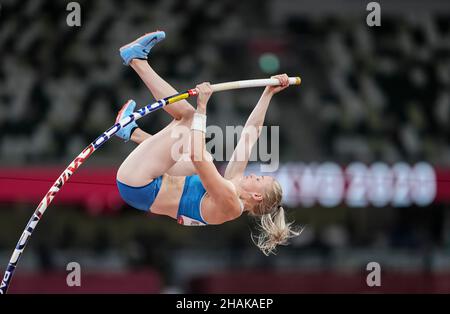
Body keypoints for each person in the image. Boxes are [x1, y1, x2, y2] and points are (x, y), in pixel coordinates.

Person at [115, 31, 301, 255]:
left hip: (139, 185)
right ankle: (132, 131)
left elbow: (196, 153)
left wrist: (202, 107)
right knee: (201, 154)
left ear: (257, 196)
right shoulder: (233, 183)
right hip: (154, 178)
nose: (254, 174)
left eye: (259, 179)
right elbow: (250, 135)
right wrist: (267, 94)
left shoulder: (230, 204)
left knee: (191, 122)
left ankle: (136, 59)